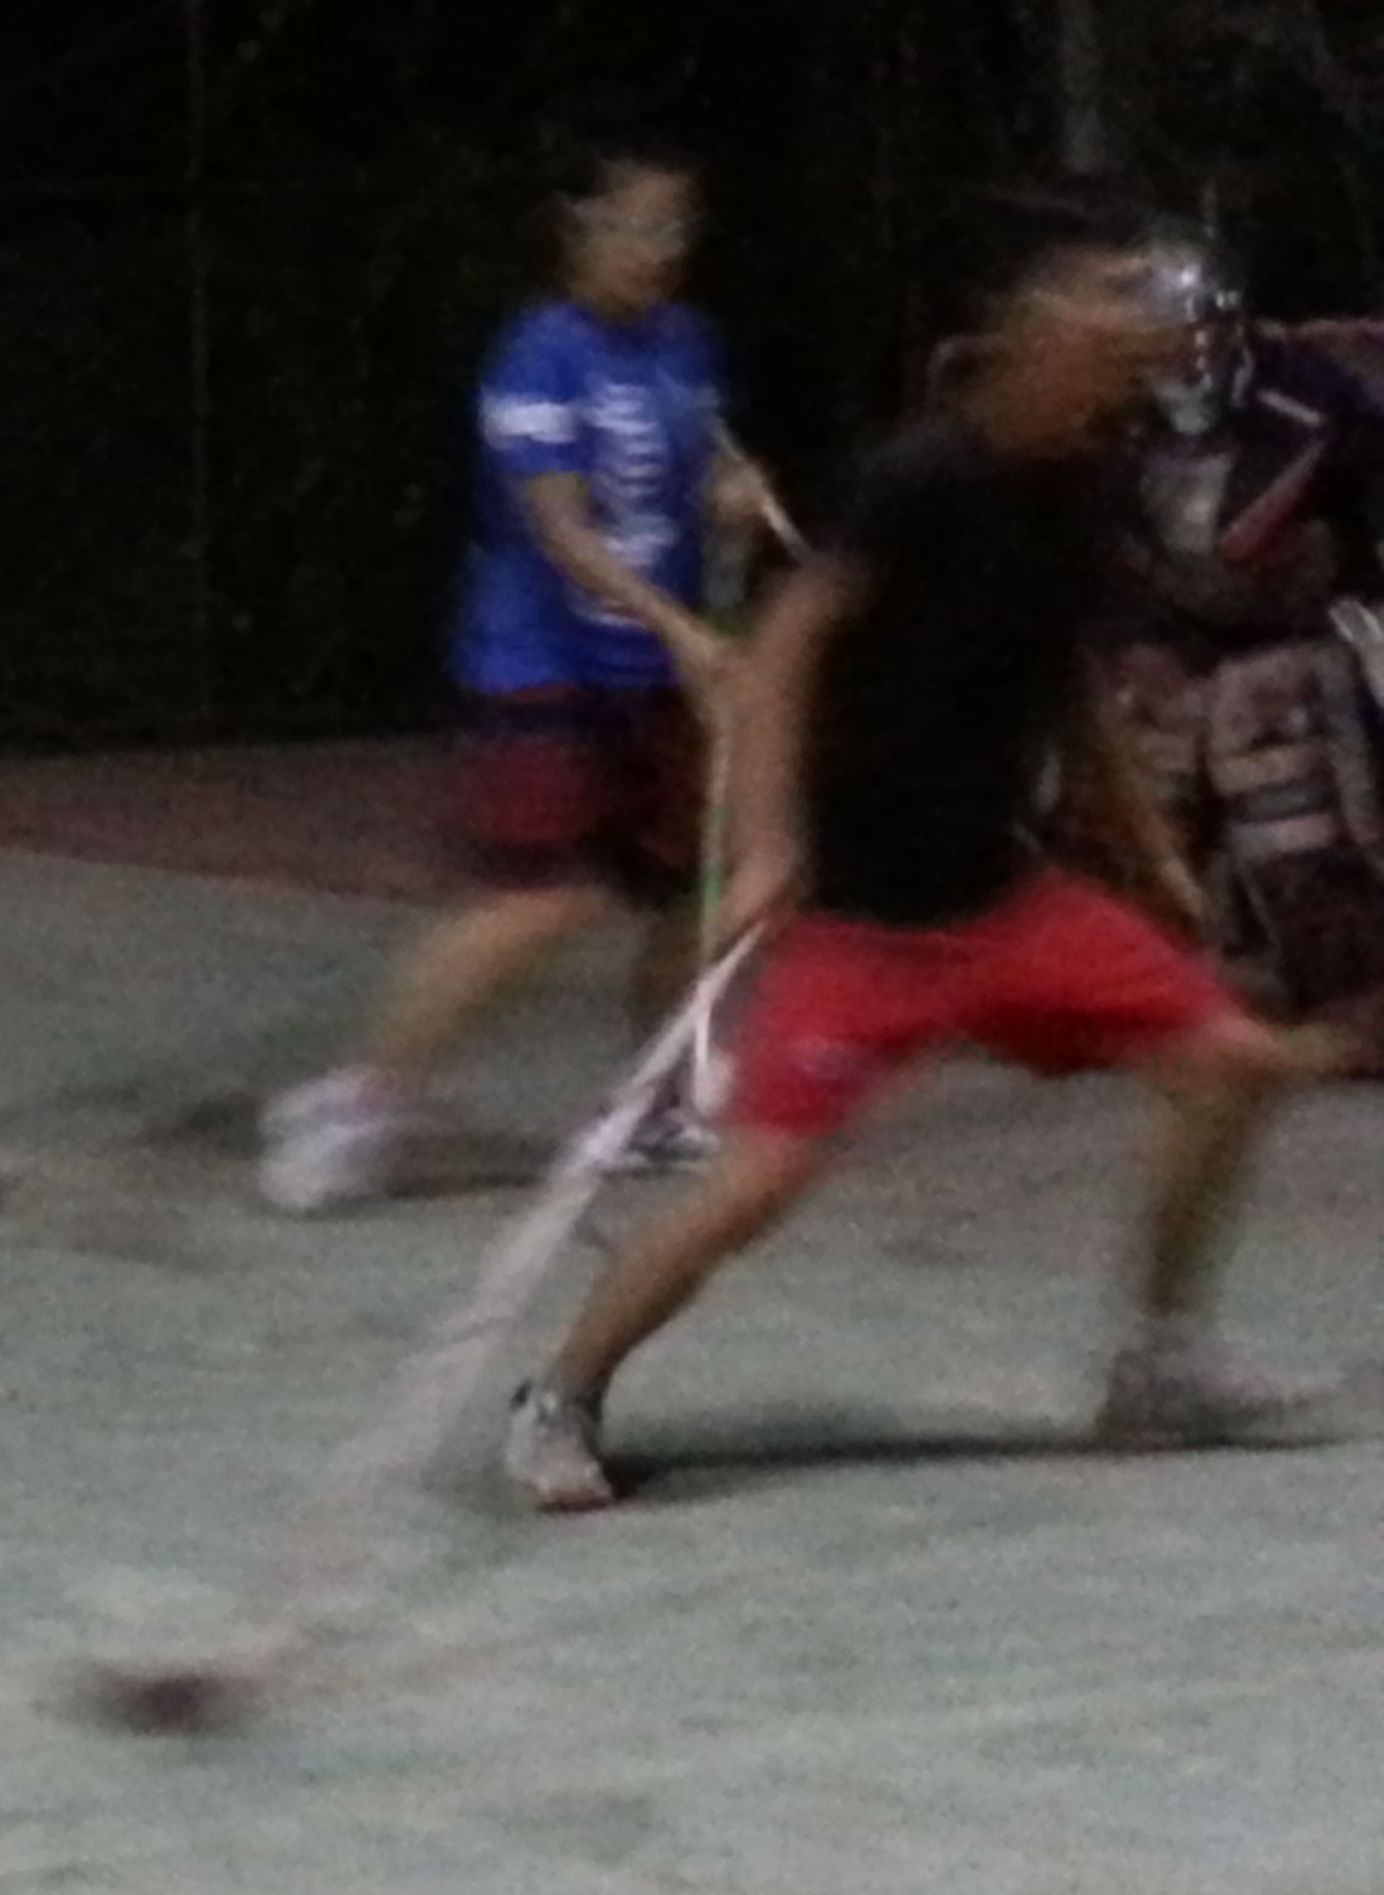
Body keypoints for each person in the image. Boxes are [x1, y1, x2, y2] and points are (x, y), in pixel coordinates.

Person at [501, 195, 1352, 1513]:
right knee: (756, 1185)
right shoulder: (917, 480)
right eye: (1107, 291)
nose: (1138, 319)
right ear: (1027, 320)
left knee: (1229, 1064)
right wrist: (771, 843)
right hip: (869, 930)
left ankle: (1159, 1364)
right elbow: (786, 651)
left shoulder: (1084, 483)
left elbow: (1069, 680)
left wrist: (1149, 852)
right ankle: (561, 1395)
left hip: (1006, 902)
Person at [260, 131, 782, 1213]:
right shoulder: (537, 356)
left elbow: (702, 465)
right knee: (537, 901)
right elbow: (561, 529)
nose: (659, 248)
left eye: (677, 226)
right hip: (542, 667)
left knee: (689, 891)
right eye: (635, 224)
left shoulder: (686, 343)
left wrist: (733, 496)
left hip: (654, 674)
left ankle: (655, 1102)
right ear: (575, 226)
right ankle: (358, 1106)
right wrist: (682, 630)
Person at [1096, 231, 1384, 1070]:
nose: (1180, 358)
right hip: (1164, 642)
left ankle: (1352, 991)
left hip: (1307, 637)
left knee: (1267, 726)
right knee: (1132, 753)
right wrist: (1127, 643)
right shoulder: (1106, 424)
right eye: (1158, 341)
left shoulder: (1315, 398)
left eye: (1193, 335)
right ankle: (1140, 980)